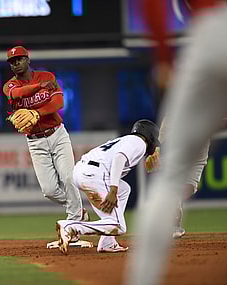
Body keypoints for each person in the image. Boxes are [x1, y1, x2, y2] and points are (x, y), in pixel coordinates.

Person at [126, 2, 227, 285]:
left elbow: (152, 6)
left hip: (210, 32)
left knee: (170, 182)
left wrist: (162, 56)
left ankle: (143, 279)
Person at [2, 46, 90, 249]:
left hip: (58, 135)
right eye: (12, 61)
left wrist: (36, 113)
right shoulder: (9, 85)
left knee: (68, 178)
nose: (16, 63)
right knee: (49, 190)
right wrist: (40, 87)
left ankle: (74, 225)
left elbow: (58, 102)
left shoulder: (47, 75)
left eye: (19, 59)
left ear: (27, 59)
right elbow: (17, 93)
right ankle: (78, 211)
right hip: (35, 141)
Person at [56, 119, 160, 255]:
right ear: (150, 136)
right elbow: (119, 158)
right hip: (95, 173)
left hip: (82, 171)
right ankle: (70, 227)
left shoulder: (128, 140)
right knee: (118, 226)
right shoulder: (139, 142)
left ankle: (107, 242)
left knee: (124, 190)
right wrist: (113, 189)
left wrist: (116, 188)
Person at [145, 116, 210, 239]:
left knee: (187, 189)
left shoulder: (212, 105)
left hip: (199, 152)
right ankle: (173, 224)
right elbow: (167, 122)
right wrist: (157, 148)